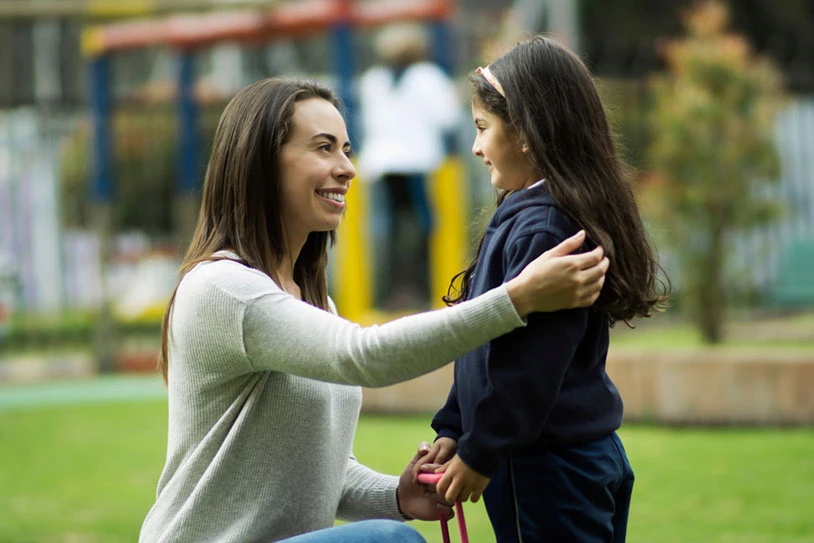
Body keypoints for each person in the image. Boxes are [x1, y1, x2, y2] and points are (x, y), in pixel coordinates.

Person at [138, 76, 610, 543]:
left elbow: (322, 471)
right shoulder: (223, 289)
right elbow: (363, 354)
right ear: (261, 165)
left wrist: (400, 497)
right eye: (324, 148)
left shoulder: (313, 302)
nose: (347, 168)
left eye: (346, 149)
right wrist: (518, 298)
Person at [415, 36, 668, 542]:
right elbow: (485, 345)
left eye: (483, 129)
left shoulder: (545, 229)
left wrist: (480, 449)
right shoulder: (529, 213)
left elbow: (531, 363)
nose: (476, 147)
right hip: (566, 458)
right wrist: (453, 428)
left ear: (527, 133)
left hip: (545, 467)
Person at [357, 22, 460, 309]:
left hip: (380, 164)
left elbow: (369, 122)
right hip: (420, 162)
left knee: (387, 230)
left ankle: (392, 292)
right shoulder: (429, 77)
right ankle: (425, 289)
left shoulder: (373, 79)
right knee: (426, 226)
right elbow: (447, 119)